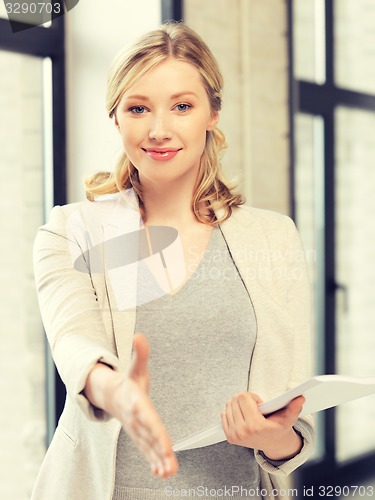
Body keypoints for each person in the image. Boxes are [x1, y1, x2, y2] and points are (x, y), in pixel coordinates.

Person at [32, 22, 314, 500]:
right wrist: (116, 391)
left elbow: (294, 426)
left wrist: (272, 437)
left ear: (212, 113)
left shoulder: (274, 237)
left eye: (182, 106)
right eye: (138, 108)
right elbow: (74, 343)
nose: (159, 130)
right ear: (116, 118)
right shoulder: (70, 232)